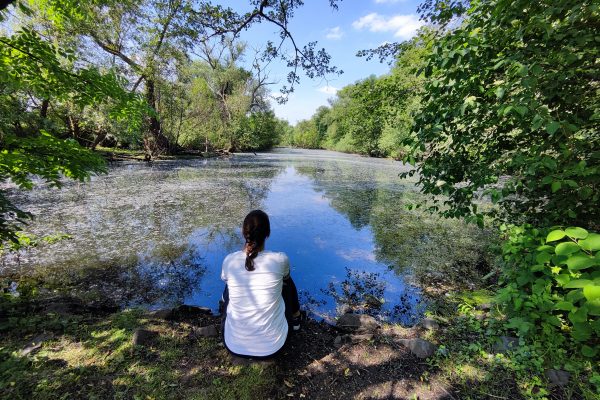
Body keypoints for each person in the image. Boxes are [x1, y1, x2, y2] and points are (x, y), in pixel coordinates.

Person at [220, 209, 301, 359]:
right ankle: (296, 318)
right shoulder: (280, 259)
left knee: (229, 283)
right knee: (286, 282)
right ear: (268, 233)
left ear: (243, 232)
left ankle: (227, 316)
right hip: (273, 347)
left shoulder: (229, 261)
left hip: (234, 345)